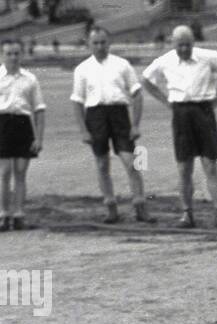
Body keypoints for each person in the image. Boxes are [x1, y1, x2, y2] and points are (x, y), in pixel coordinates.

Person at [140, 25, 217, 229]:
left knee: (210, 164)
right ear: (173, 43)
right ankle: (187, 214)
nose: (184, 49)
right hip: (181, 113)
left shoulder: (208, 56)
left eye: (187, 44)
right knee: (184, 167)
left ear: (193, 42)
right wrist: (166, 101)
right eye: (180, 45)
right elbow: (146, 80)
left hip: (204, 111)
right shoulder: (164, 61)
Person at [71, 27, 151, 224]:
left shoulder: (122, 65)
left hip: (119, 114)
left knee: (131, 162)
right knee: (101, 164)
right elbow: (77, 101)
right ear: (88, 44)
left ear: (109, 42)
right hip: (96, 116)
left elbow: (137, 94)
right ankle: (111, 208)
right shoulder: (82, 69)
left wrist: (135, 124)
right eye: (95, 43)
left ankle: (140, 207)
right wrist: (83, 130)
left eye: (103, 42)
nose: (100, 46)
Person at [0, 36, 46, 233]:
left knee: (21, 172)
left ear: (21, 54)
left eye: (16, 53)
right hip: (1, 124)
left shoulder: (30, 79)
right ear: (1, 55)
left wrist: (38, 138)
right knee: (4, 172)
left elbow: (39, 109)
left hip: (23, 124)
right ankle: (3, 214)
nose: (13, 57)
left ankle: (19, 214)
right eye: (8, 54)